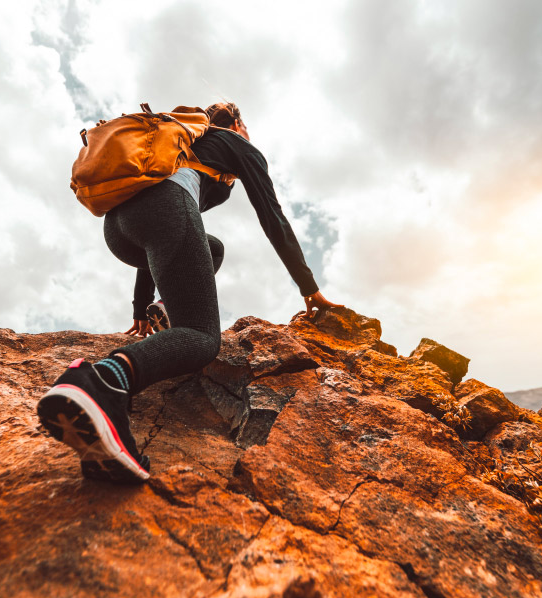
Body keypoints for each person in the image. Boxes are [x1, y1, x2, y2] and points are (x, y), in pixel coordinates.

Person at [36, 102, 342, 483]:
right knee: (200, 337)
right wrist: (308, 286)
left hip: (119, 227)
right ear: (239, 123)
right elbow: (272, 216)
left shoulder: (188, 142)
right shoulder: (237, 144)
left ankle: (160, 314)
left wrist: (140, 307)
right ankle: (102, 382)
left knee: (211, 247)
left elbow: (157, 236)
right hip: (165, 209)